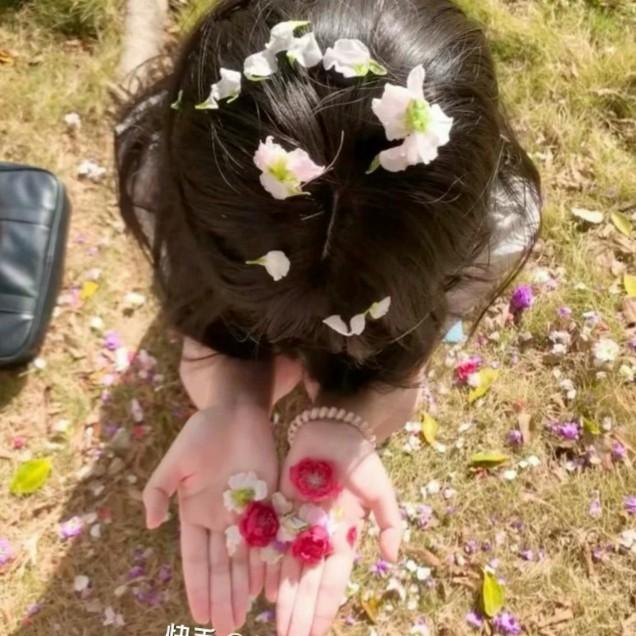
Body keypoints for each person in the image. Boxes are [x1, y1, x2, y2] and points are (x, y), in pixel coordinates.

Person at [114, 1, 542, 634]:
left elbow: (404, 361)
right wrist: (235, 395)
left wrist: (348, 410)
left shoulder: (497, 228)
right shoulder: (160, 176)